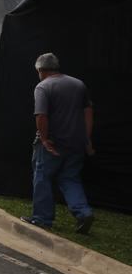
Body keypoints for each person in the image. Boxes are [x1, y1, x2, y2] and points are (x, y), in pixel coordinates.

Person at [20, 53, 96, 234]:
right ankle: (83, 212)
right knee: (70, 177)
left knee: (42, 177)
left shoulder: (43, 87)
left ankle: (42, 218)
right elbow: (88, 113)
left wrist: (44, 140)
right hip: (76, 142)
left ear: (40, 70)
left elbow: (41, 115)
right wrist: (86, 139)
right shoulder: (78, 84)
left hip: (54, 142)